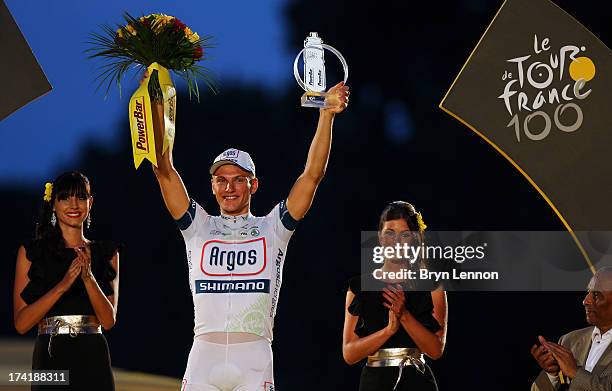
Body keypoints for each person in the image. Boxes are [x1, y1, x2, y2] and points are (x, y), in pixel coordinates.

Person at [149, 81, 349, 390]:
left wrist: (327, 115)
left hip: (254, 357)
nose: (229, 188)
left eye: (238, 180)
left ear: (253, 185)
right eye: (221, 180)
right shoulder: (198, 226)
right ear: (213, 185)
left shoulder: (274, 227)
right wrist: (156, 102)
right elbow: (163, 170)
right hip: (204, 354)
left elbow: (311, 176)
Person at [13, 171, 120, 391]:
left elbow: (108, 321)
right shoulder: (32, 253)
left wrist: (88, 278)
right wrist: (62, 286)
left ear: (90, 203)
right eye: (65, 197)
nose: (74, 204)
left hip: (93, 358)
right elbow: (22, 324)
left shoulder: (107, 253)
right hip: (50, 358)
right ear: (53, 204)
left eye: (81, 197)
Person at [343, 201, 448, 391]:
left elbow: (435, 350)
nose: (396, 241)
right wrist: (389, 331)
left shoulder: (432, 285)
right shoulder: (358, 287)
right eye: (390, 232)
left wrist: (404, 315)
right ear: (380, 237)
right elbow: (349, 353)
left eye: (405, 234)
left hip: (417, 382)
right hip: (374, 383)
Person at [531, 267, 612, 391]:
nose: (585, 301)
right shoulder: (569, 340)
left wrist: (575, 372)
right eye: (588, 292)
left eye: (596, 295)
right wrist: (551, 374)